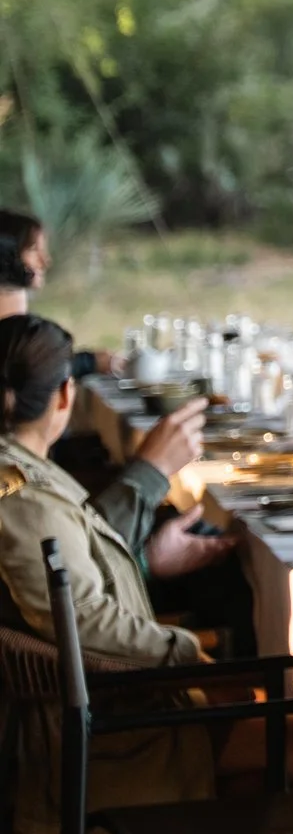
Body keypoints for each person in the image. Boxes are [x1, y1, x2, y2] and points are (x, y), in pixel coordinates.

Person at [0, 314, 256, 834]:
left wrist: (145, 542)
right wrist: (190, 656)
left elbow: (72, 562)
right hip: (105, 730)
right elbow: (83, 617)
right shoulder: (18, 494)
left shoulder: (23, 475)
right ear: (64, 396)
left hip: (97, 708)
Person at [0, 208, 219, 569]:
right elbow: (69, 571)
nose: (46, 260)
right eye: (34, 249)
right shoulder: (22, 490)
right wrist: (147, 561)